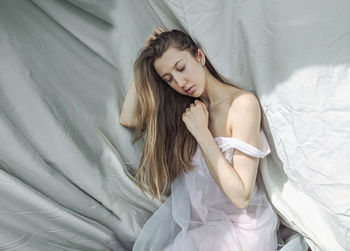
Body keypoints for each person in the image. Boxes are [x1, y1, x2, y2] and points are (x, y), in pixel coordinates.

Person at [120, 26, 280, 251]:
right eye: (169, 79)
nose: (181, 82)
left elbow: (242, 197)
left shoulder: (242, 105)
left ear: (200, 56)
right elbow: (128, 118)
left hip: (243, 231)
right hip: (203, 229)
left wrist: (202, 134)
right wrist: (143, 66)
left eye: (181, 68)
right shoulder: (187, 110)